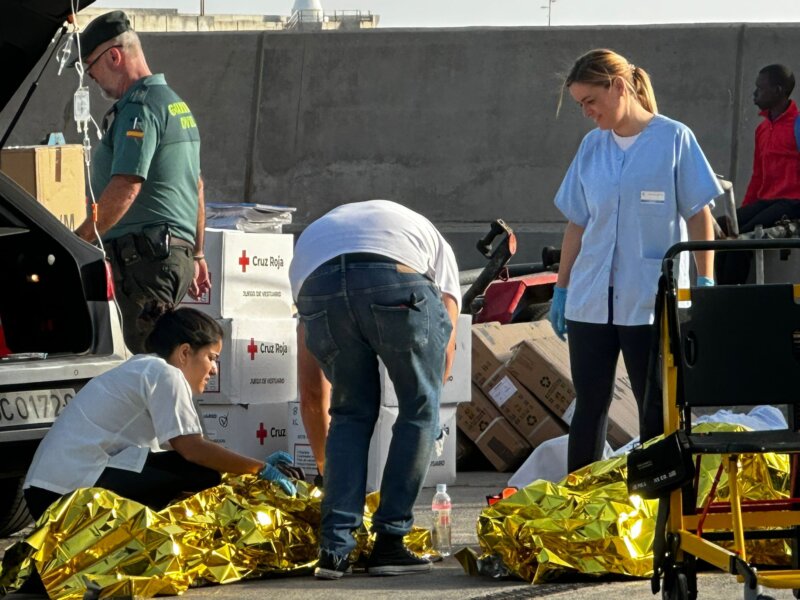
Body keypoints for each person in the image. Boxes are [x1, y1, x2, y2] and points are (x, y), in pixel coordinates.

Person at [549, 49, 720, 473]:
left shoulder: (673, 139)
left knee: (654, 408)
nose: (587, 112)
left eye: (591, 101)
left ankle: (657, 509)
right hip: (591, 296)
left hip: (650, 301)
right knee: (590, 404)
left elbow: (700, 216)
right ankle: (580, 504)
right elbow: (577, 222)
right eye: (580, 105)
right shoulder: (592, 147)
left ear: (619, 87)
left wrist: (705, 283)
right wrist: (562, 286)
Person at [289, 199, 460, 579]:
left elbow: (312, 393)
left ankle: (334, 550)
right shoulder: (435, 246)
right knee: (418, 410)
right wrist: (429, 398)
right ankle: (390, 543)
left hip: (318, 287)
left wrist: (327, 470)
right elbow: (445, 342)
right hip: (396, 279)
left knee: (350, 414)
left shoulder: (317, 237)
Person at [23, 303, 297, 520]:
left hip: (47, 491)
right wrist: (258, 468)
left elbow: (183, 450)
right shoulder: (165, 374)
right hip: (64, 495)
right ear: (185, 352)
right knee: (203, 474)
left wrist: (251, 464)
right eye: (212, 358)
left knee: (194, 469)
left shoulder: (144, 367)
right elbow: (194, 450)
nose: (215, 369)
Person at [73, 11, 211, 354]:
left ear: (114, 57)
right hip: (166, 256)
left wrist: (79, 241)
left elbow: (127, 184)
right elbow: (196, 187)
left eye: (92, 69)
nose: (93, 81)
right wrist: (196, 253)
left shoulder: (139, 107)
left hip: (145, 263)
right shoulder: (174, 105)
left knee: (145, 369)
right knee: (160, 365)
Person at [717, 64, 800, 283]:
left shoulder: (797, 125)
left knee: (742, 237)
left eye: (760, 88)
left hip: (792, 202)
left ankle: (732, 296)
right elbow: (757, 176)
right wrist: (741, 211)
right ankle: (717, 293)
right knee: (722, 228)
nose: (755, 93)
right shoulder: (762, 130)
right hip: (766, 201)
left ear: (778, 90)